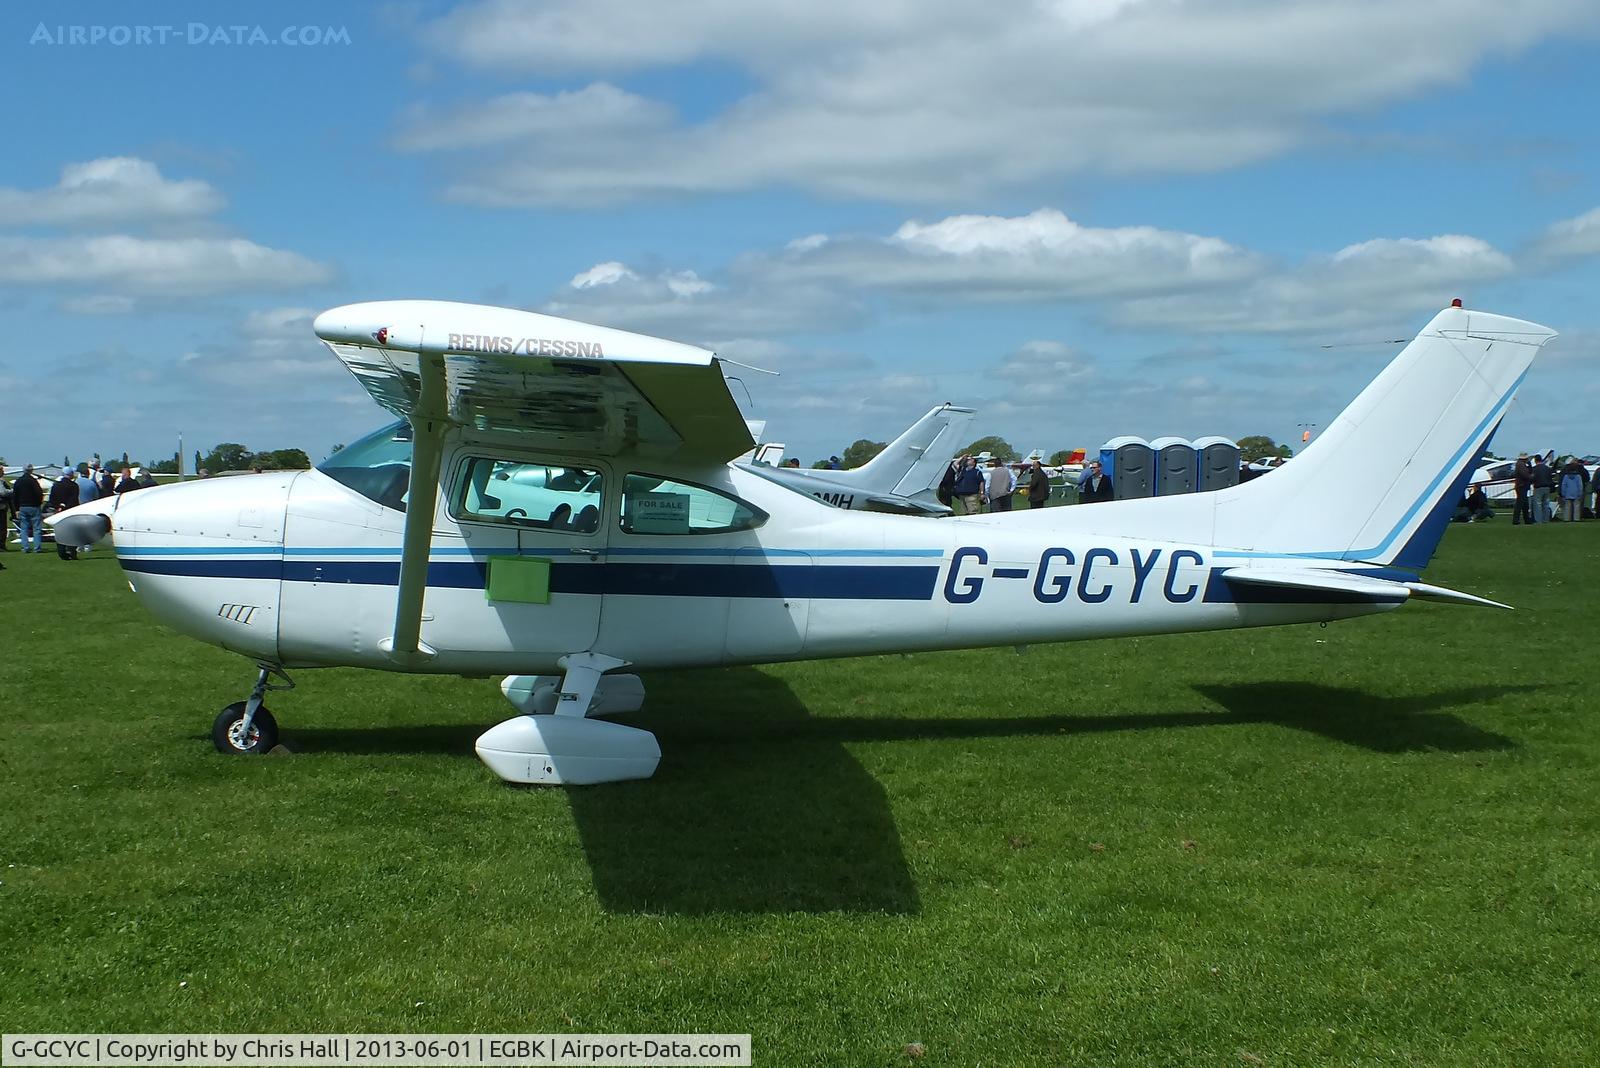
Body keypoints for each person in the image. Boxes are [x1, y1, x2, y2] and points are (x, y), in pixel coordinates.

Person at [11, 464, 45, 552]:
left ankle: (25, 547)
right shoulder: (33, 481)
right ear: (31, 470)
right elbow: (39, 493)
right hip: (34, 506)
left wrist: (16, 508)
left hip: (22, 506)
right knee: (37, 528)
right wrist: (39, 503)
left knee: (24, 528)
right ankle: (37, 548)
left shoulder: (18, 481)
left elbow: (15, 496)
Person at [47, 471, 80, 559]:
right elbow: (74, 500)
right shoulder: (74, 486)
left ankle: (61, 552)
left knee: (60, 532)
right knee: (72, 532)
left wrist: (58, 507)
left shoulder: (56, 485)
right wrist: (66, 506)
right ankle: (72, 551)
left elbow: (52, 499)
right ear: (71, 475)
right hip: (70, 511)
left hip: (58, 511)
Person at [1530, 453, 1554, 524]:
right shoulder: (1547, 468)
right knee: (1546, 504)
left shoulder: (1534, 469)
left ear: (1535, 460)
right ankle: (1546, 520)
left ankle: (1538, 520)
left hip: (1538, 487)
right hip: (1547, 487)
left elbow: (1532, 478)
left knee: (1538, 504)